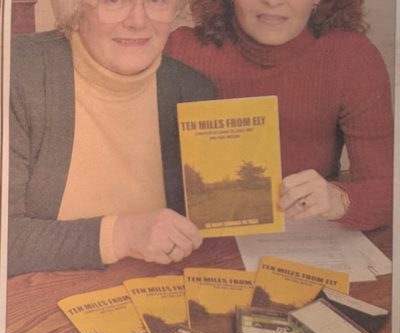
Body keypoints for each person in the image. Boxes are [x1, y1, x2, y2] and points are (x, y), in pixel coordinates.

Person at [8, 0, 215, 276]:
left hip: (153, 289)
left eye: (157, 1)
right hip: (43, 295)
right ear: (75, 12)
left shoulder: (195, 92)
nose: (138, 21)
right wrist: (121, 235)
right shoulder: (16, 73)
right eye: (114, 1)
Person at [165, 0, 393, 231]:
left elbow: (388, 190)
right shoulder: (179, 50)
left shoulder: (351, 56)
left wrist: (339, 199)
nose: (273, 2)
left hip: (307, 237)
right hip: (195, 240)